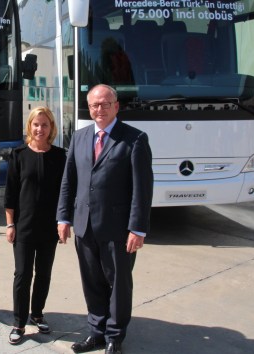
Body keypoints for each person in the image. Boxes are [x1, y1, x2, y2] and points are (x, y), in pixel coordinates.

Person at [56, 84, 153, 354]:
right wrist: (63, 217)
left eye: (105, 104)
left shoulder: (135, 139)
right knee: (92, 282)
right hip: (84, 224)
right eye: (94, 105)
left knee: (119, 284)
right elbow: (69, 180)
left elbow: (142, 189)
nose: (99, 109)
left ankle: (114, 337)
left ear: (116, 106)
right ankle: (96, 332)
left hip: (118, 229)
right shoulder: (79, 137)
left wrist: (138, 228)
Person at [4, 107, 66, 345]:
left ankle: (37, 313)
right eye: (36, 124)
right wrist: (10, 225)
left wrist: (63, 222)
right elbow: (10, 195)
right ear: (29, 126)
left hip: (49, 228)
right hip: (24, 226)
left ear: (52, 128)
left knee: (44, 274)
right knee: (22, 274)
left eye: (45, 125)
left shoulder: (60, 156)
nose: (40, 129)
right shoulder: (18, 155)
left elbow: (65, 193)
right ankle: (19, 322)